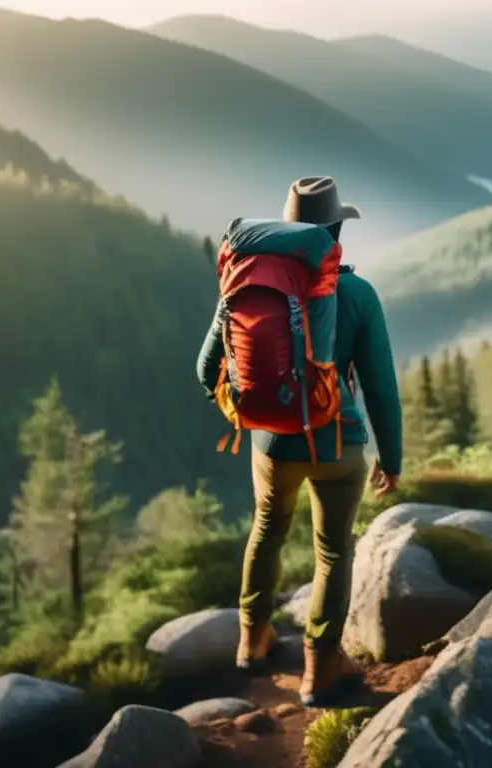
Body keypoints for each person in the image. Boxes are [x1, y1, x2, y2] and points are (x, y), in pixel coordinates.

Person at [196, 175, 403, 707]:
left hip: (270, 442)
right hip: (337, 443)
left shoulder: (249, 280)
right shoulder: (356, 292)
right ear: (335, 233)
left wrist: (250, 400)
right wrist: (393, 459)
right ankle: (320, 667)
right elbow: (380, 385)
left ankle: (251, 639)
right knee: (333, 551)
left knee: (266, 528)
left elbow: (205, 369)